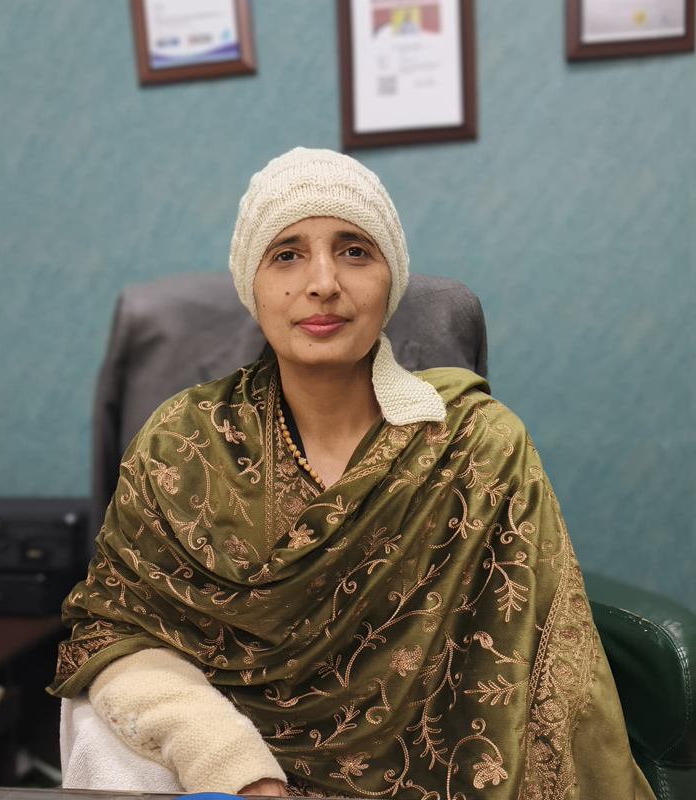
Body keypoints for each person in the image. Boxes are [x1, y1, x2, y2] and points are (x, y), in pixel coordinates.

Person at [49, 148, 655, 800]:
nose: (323, 283)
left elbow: (545, 680)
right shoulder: (181, 445)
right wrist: (230, 763)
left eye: (355, 251)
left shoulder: (477, 443)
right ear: (251, 286)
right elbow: (113, 634)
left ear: (390, 281)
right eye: (287, 254)